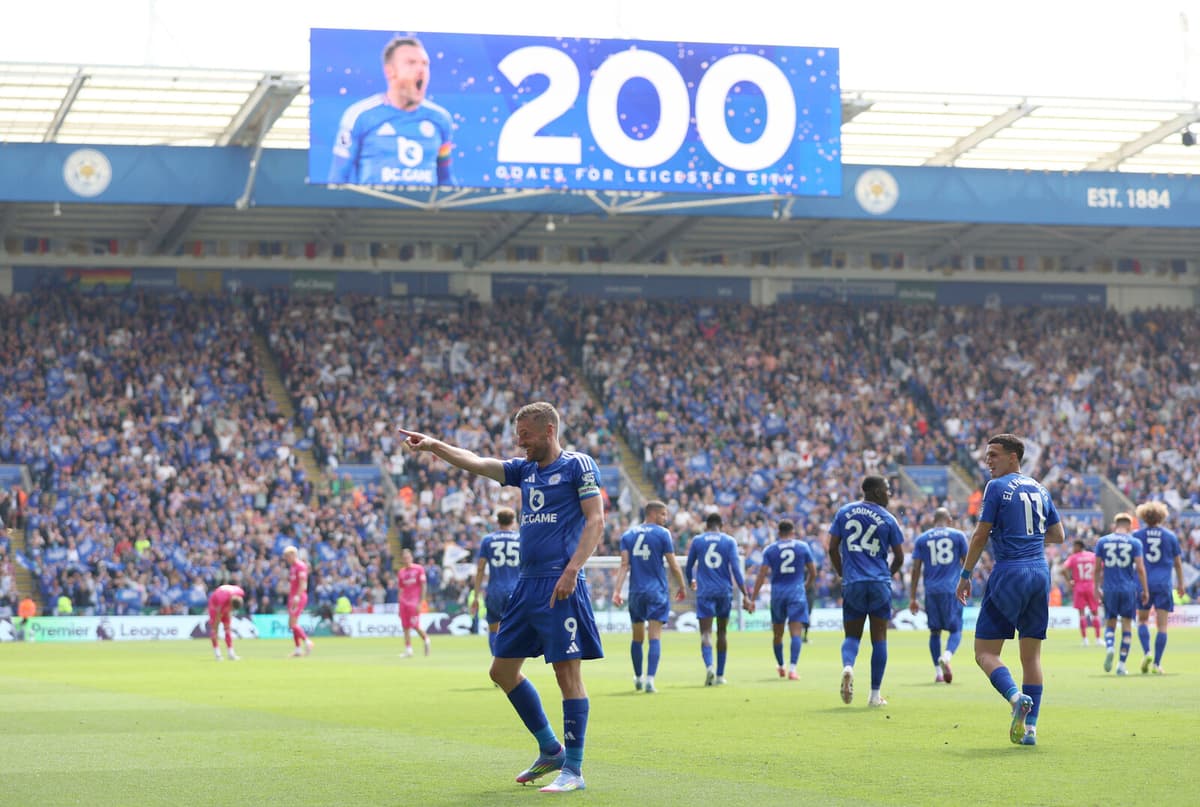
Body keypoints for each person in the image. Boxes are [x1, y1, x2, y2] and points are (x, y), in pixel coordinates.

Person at [399, 401, 604, 793]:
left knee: (567, 674)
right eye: (518, 435)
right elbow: (477, 462)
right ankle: (551, 749)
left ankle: (574, 771)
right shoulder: (524, 470)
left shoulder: (578, 465)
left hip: (559, 581)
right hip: (526, 585)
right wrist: (434, 445)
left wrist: (573, 570)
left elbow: (596, 521)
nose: (520, 442)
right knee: (501, 672)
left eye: (526, 435)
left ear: (548, 430)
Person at [956, 434, 1064, 747]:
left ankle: (1016, 698)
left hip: (1010, 572)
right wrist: (1028, 539)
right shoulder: (1040, 488)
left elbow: (980, 536)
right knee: (1032, 658)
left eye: (994, 454)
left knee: (985, 653)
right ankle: (1030, 730)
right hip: (1039, 573)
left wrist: (965, 575)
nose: (988, 460)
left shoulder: (996, 486)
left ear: (1013, 457)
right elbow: (1059, 535)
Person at [328, 35, 456, 186]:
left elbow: (446, 179)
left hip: (425, 202)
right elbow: (337, 179)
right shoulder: (359, 116)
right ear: (389, 71)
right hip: (375, 202)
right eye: (411, 63)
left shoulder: (441, 119)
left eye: (425, 64)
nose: (421, 70)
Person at [829, 475, 904, 708]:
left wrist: (843, 573)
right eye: (887, 490)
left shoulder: (844, 512)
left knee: (852, 636)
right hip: (879, 583)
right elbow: (900, 557)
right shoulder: (888, 518)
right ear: (877, 491)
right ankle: (874, 695)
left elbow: (831, 548)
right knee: (879, 638)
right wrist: (887, 575)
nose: (889, 494)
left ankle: (848, 667)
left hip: (853, 583)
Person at [612, 500, 687, 693]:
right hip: (656, 592)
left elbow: (624, 565)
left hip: (636, 592)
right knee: (655, 636)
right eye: (663, 514)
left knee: (637, 637)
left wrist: (617, 591)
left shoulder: (628, 535)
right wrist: (682, 586)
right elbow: (673, 564)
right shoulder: (663, 534)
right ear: (653, 514)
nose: (665, 518)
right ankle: (650, 680)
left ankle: (638, 677)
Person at [685, 512, 753, 687]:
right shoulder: (729, 541)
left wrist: (691, 580)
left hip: (705, 592)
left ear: (706, 526)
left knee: (706, 633)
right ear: (721, 526)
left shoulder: (698, 541)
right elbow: (736, 569)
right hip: (724, 592)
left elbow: (689, 565)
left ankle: (709, 667)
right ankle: (721, 675)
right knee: (722, 633)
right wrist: (745, 594)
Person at [909, 507, 968, 684]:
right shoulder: (958, 536)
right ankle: (947, 657)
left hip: (932, 591)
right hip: (952, 589)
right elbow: (967, 562)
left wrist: (913, 597)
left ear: (933, 521)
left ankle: (938, 673)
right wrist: (967, 582)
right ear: (949, 520)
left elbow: (916, 569)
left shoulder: (922, 539)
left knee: (935, 632)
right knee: (956, 629)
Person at [751, 519, 816, 680]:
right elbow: (813, 572)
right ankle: (793, 669)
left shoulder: (770, 550)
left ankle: (781, 666)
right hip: (796, 593)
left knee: (778, 634)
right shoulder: (802, 547)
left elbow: (762, 574)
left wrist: (753, 598)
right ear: (793, 532)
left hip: (778, 595)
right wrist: (805, 586)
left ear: (778, 533)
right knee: (796, 633)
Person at [1131, 501, 1184, 674]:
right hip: (1163, 584)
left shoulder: (1137, 535)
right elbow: (1177, 563)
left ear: (1144, 516)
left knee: (1143, 621)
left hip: (1143, 584)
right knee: (1162, 626)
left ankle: (1147, 652)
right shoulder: (1170, 536)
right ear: (1162, 516)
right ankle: (1157, 664)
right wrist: (1181, 584)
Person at [1095, 513, 1149, 676]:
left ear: (1115, 524)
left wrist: (1096, 588)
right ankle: (1121, 665)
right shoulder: (1134, 542)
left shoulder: (1102, 541)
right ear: (1130, 526)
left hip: (1109, 588)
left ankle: (1110, 647)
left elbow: (1097, 568)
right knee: (1126, 626)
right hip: (1128, 589)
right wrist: (1145, 590)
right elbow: (1140, 568)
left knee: (1110, 623)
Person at [471, 506, 522, 656]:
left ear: (498, 522)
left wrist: (476, 596)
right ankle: (511, 663)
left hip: (495, 590)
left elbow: (480, 568)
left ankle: (497, 661)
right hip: (516, 589)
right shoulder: (521, 539)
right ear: (513, 521)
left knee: (494, 629)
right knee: (515, 628)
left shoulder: (488, 540)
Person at [1061, 539, 1102, 647]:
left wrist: (1069, 581)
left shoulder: (1073, 557)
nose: (1073, 549)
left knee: (1081, 614)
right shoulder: (1093, 556)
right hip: (1091, 586)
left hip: (1079, 587)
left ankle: (1085, 640)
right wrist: (1099, 582)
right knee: (1095, 613)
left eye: (1074, 546)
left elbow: (1063, 569)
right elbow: (1101, 567)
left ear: (1079, 546)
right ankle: (1098, 639)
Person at [397, 548, 431, 657]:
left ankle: (426, 639)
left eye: (408, 557)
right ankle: (409, 650)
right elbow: (401, 589)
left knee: (415, 625)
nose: (406, 559)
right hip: (404, 603)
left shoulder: (419, 569)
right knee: (405, 627)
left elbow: (423, 586)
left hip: (414, 602)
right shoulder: (401, 572)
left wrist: (421, 602)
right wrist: (399, 604)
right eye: (404, 558)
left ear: (411, 557)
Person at [283, 545, 314, 657]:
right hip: (293, 596)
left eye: (287, 556)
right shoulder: (292, 567)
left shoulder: (300, 566)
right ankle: (298, 649)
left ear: (293, 555)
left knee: (292, 623)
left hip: (298, 597)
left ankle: (307, 642)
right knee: (292, 624)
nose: (286, 558)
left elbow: (303, 584)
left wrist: (297, 596)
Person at [208, 584, 245, 661]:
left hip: (226, 600)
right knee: (214, 630)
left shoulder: (240, 592)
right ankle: (218, 654)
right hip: (214, 605)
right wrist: (216, 628)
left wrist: (228, 617)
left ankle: (231, 654)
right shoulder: (222, 600)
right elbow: (218, 616)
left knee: (227, 629)